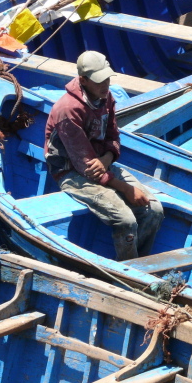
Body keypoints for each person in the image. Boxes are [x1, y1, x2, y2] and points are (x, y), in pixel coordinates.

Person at [44, 51, 164, 261]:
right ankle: (128, 271)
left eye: (107, 78)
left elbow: (113, 137)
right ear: (83, 80)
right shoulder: (68, 110)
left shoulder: (105, 96)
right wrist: (126, 189)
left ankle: (141, 265)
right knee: (126, 221)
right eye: (99, 81)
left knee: (154, 210)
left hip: (102, 164)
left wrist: (106, 159)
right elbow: (85, 167)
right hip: (72, 173)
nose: (105, 84)